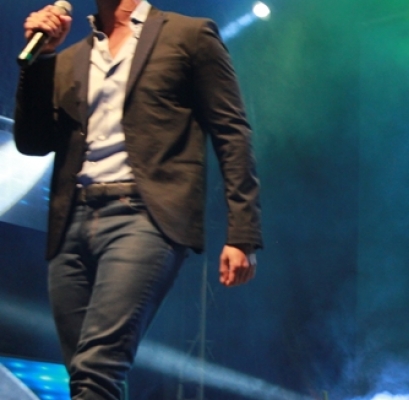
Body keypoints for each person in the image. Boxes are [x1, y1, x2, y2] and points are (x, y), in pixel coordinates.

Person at [14, 0, 262, 398]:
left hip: (143, 218)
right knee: (85, 374)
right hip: (72, 223)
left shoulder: (188, 35)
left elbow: (231, 131)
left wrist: (243, 233)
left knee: (97, 366)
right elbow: (32, 142)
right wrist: (41, 59)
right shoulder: (72, 57)